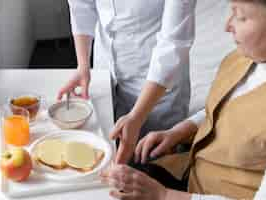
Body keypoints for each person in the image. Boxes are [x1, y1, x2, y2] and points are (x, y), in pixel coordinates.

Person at [101, 0, 266, 199]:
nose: (227, 26)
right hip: (190, 173)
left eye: (240, 16)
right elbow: (220, 108)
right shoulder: (243, 57)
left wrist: (163, 195)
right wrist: (178, 132)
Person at [57, 0, 196, 164]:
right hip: (105, 68)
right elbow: (82, 5)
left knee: (155, 164)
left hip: (155, 84)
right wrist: (83, 65)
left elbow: (173, 43)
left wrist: (137, 116)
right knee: (104, 158)